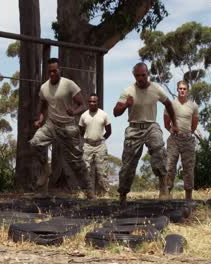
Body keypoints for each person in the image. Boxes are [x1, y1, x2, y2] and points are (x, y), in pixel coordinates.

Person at [113, 62, 178, 206]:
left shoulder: (156, 89)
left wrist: (174, 124)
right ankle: (123, 194)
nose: (141, 78)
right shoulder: (128, 91)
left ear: (148, 74)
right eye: (137, 76)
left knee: (159, 148)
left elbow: (168, 104)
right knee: (128, 165)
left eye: (143, 75)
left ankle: (163, 187)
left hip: (151, 126)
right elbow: (115, 112)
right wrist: (125, 105)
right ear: (134, 76)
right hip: (134, 128)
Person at [29, 58, 94, 199]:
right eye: (50, 71)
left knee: (76, 162)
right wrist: (40, 119)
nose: (52, 73)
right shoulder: (44, 87)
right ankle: (45, 170)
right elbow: (43, 107)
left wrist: (74, 112)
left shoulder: (69, 84)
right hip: (51, 124)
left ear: (60, 70)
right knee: (35, 143)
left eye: (55, 70)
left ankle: (89, 190)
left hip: (68, 126)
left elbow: (82, 104)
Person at [164, 80, 199, 200]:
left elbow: (194, 124)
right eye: (180, 88)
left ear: (187, 90)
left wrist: (188, 133)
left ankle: (188, 197)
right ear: (177, 90)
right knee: (169, 166)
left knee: (188, 168)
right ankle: (167, 194)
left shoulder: (193, 106)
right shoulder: (171, 104)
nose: (182, 91)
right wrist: (171, 130)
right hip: (174, 139)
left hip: (188, 140)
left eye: (184, 89)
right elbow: (166, 122)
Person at [79, 93, 112, 196]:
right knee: (86, 170)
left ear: (98, 102)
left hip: (100, 146)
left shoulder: (104, 115)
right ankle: (89, 194)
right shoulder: (84, 116)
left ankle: (105, 194)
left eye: (94, 101)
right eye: (90, 101)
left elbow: (109, 131)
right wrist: (87, 139)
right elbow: (81, 130)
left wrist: (101, 140)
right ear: (88, 102)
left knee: (102, 171)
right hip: (87, 145)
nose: (92, 103)